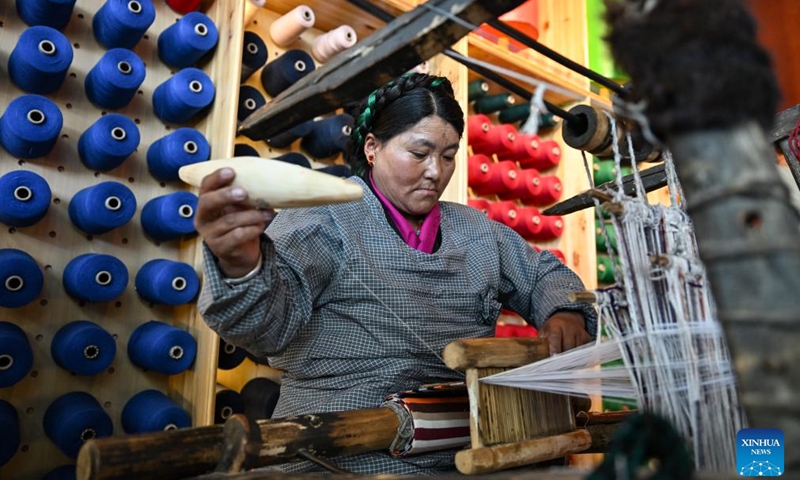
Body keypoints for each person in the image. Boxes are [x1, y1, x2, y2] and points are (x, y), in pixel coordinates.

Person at [195, 73, 597, 474]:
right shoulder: (320, 222)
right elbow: (266, 330)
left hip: (463, 449)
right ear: (372, 147)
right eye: (418, 153)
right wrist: (241, 265)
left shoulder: (479, 232)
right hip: (336, 447)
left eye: (448, 155)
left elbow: (543, 274)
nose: (435, 172)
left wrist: (564, 311)